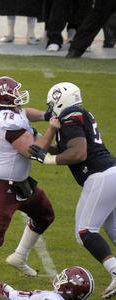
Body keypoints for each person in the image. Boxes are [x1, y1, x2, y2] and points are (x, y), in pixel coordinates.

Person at [29, 82, 116, 298]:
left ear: (60, 100)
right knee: (113, 229)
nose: (50, 109)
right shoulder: (76, 114)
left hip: (100, 175)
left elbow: (78, 154)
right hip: (109, 173)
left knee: (85, 231)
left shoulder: (71, 114)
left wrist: (47, 159)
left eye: (52, 104)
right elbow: (67, 148)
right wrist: (41, 140)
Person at [0, 76, 55, 277]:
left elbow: (25, 113)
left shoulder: (12, 112)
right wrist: (52, 129)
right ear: (5, 100)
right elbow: (31, 151)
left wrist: (45, 116)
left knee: (44, 215)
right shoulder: (7, 121)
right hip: (0, 183)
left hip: (19, 181)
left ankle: (19, 256)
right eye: (14, 93)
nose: (18, 97)